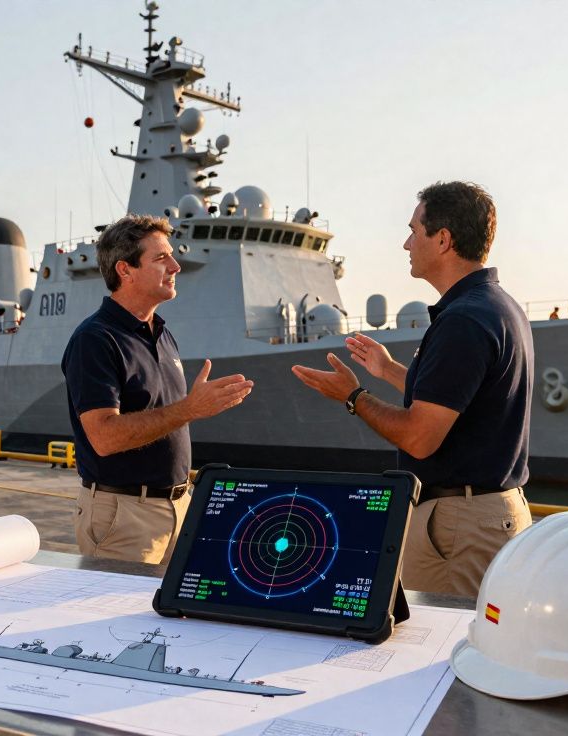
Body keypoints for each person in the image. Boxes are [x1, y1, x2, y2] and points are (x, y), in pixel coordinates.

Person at [291, 181, 533, 596]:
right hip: (491, 513)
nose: (406, 243)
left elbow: (420, 438)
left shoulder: (463, 321)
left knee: (442, 647)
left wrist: (353, 396)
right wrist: (387, 370)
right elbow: (455, 400)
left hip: (462, 524)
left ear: (443, 240)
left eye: (414, 231)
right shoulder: (497, 306)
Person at [62, 214, 254, 564]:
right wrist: (190, 409)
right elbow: (104, 438)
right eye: (161, 258)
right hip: (125, 517)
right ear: (125, 270)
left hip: (179, 508)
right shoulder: (95, 339)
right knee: (114, 619)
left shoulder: (162, 334)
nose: (176, 266)